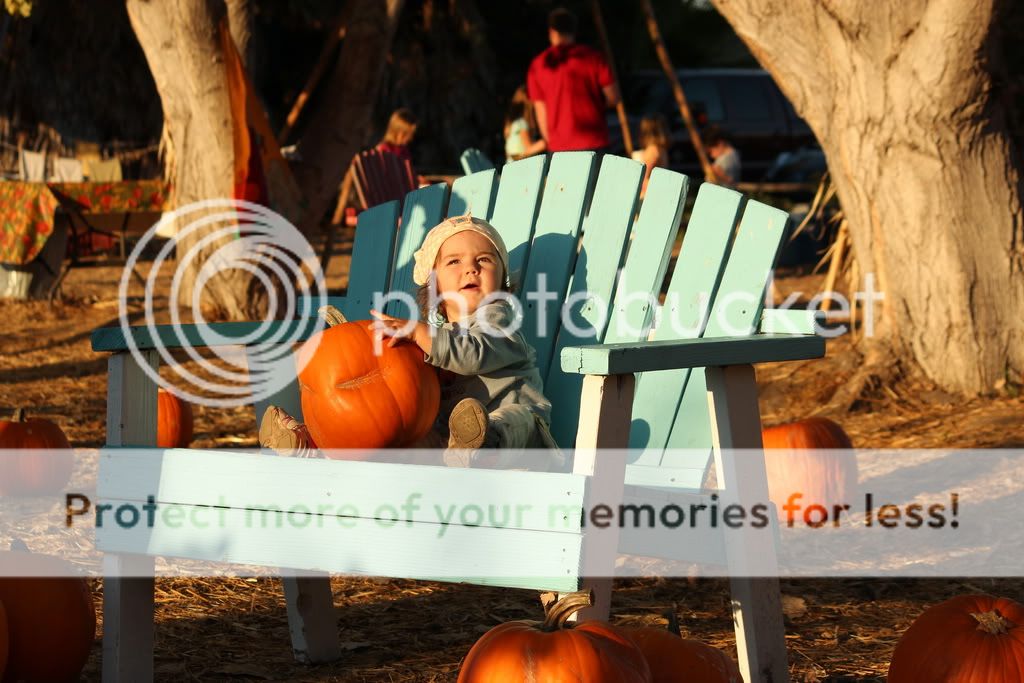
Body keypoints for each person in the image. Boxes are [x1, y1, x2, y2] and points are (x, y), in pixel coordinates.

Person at [259, 215, 559, 469]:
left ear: (503, 281)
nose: (471, 268)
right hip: (452, 443)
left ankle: (480, 444)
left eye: (484, 259)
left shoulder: (499, 321)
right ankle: (310, 447)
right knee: (397, 442)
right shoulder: (434, 334)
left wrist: (419, 335)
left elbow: (473, 356)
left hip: (522, 443)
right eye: (454, 261)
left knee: (516, 419)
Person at [526, 7, 619, 153]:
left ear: (552, 32)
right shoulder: (593, 57)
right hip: (595, 140)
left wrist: (550, 141)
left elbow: (540, 111)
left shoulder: (538, 65)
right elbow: (613, 97)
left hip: (559, 146)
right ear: (573, 31)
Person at [504, 86, 546, 161]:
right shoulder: (521, 123)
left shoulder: (512, 124)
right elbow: (528, 149)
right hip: (520, 164)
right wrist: (548, 141)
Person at [632, 114, 669, 198]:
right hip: (657, 190)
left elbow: (645, 173)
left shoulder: (653, 150)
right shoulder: (661, 149)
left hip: (647, 193)